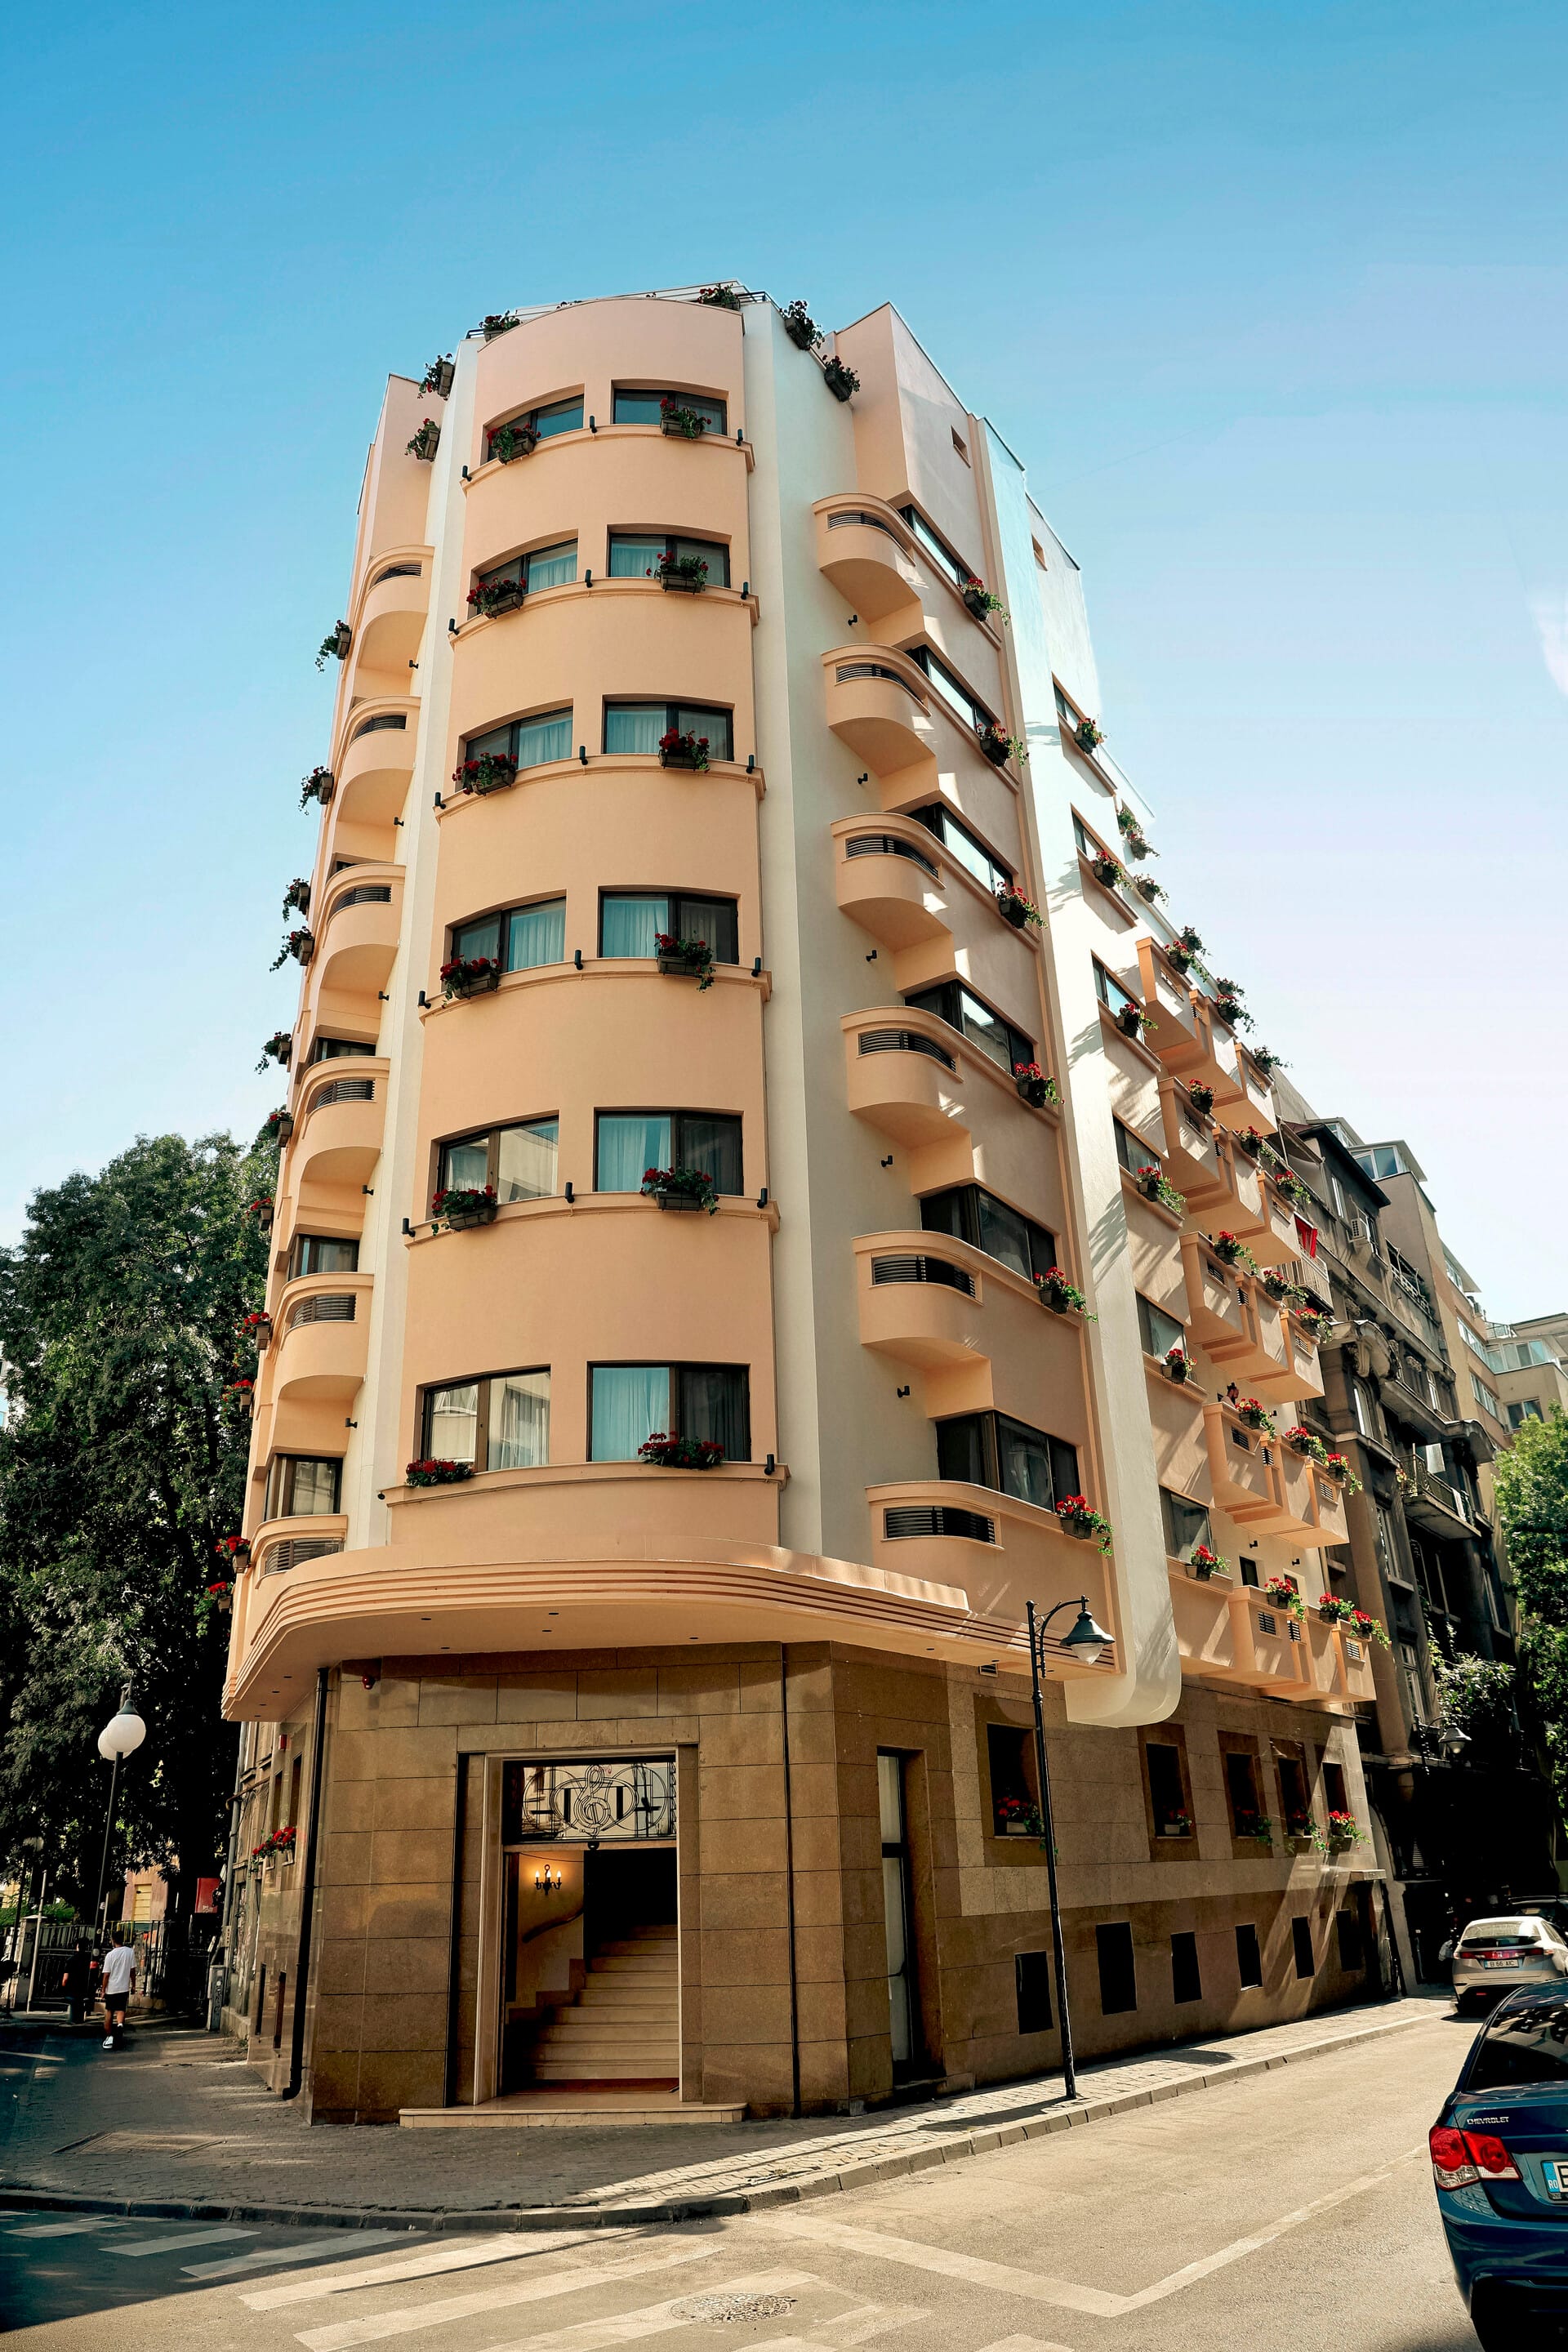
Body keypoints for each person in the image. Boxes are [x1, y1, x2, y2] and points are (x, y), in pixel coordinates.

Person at [100, 1931, 135, 2049]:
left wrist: (103, 1989)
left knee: (109, 2011)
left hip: (112, 1988)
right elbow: (132, 1971)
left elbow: (106, 1975)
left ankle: (109, 2036)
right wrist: (133, 1985)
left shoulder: (110, 1955)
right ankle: (120, 2025)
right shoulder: (130, 1952)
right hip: (123, 1987)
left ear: (113, 1940)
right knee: (121, 2010)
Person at [60, 1938, 97, 2025]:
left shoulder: (71, 1960)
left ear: (77, 1946)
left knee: (73, 2001)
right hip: (85, 1988)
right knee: (80, 2001)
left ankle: (74, 2019)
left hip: (72, 1989)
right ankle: (80, 2017)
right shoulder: (90, 1960)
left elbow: (65, 1978)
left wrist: (63, 1987)